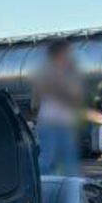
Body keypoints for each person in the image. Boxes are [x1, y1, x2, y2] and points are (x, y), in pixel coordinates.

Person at [30, 40, 82, 177]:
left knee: (68, 163)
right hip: (51, 122)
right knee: (49, 161)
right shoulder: (48, 72)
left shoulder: (67, 72)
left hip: (63, 122)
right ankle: (41, 188)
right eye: (67, 53)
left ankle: (67, 192)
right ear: (59, 53)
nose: (70, 56)